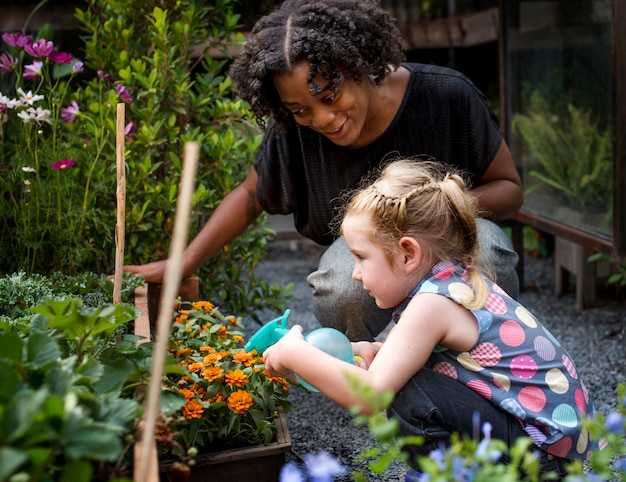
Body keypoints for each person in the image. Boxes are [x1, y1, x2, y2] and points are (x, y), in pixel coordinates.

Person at [124, 0, 523, 342]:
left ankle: (484, 360)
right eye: (300, 110)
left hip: (454, 232)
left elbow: (509, 189)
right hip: (373, 250)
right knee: (339, 292)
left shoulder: (445, 95)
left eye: (330, 96)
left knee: (490, 254)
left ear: (359, 65)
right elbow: (250, 195)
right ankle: (369, 368)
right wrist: (183, 263)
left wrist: (430, 208)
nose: (323, 119)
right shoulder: (296, 130)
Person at [262, 159, 597, 479]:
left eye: (361, 258)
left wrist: (294, 353)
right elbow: (438, 361)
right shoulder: (452, 281)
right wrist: (371, 349)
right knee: (404, 376)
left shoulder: (432, 303)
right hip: (548, 451)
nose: (355, 274)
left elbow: (371, 397)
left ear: (409, 253)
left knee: (408, 391)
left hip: (542, 458)